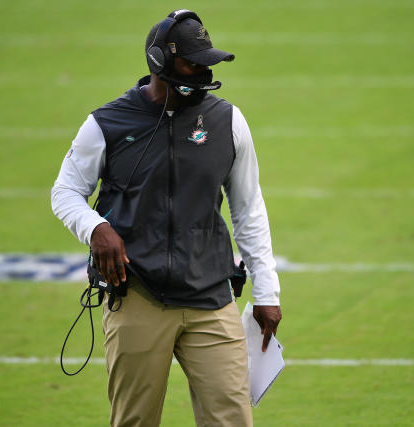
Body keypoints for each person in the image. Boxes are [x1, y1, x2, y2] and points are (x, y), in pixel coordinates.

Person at [51, 9, 281, 427]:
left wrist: (268, 291)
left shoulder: (229, 121)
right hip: (138, 295)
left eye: (208, 60)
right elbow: (65, 191)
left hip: (212, 298)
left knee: (233, 421)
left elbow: (249, 210)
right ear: (160, 62)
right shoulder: (107, 124)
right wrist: (96, 228)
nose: (204, 69)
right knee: (134, 422)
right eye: (194, 61)